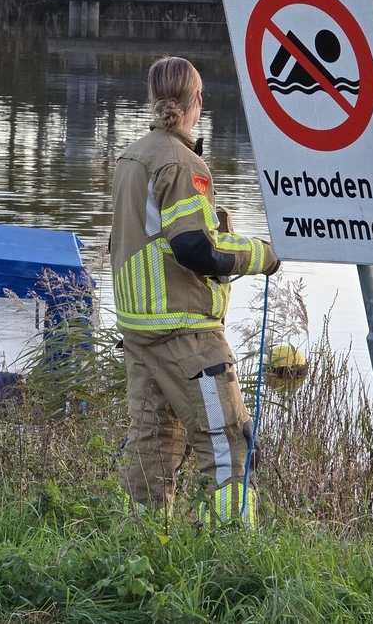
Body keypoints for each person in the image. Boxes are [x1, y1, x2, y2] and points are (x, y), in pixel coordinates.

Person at [110, 56, 281, 528]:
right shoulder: (182, 162)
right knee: (230, 442)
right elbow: (194, 247)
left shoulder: (132, 156)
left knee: (151, 444)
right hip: (185, 331)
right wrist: (262, 255)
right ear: (198, 100)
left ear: (152, 96)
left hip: (140, 329)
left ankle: (135, 547)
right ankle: (235, 553)